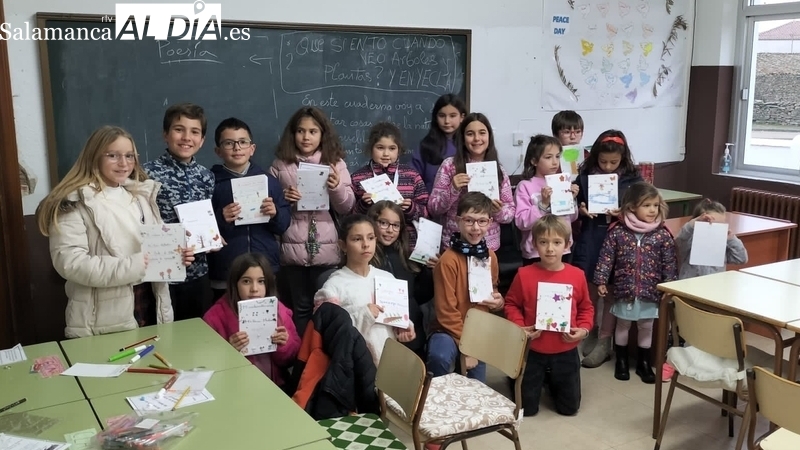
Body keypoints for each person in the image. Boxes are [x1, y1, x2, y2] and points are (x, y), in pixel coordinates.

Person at [36, 126, 193, 338]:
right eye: (113, 155)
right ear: (94, 157)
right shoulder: (75, 201)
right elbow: (70, 263)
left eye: (129, 156)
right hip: (103, 319)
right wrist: (135, 265)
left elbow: (152, 248)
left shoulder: (140, 195)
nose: (124, 163)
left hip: (151, 304)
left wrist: (175, 256)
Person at [270, 106, 355, 335]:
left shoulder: (335, 164)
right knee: (301, 308)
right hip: (292, 249)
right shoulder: (281, 166)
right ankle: (301, 361)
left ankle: (322, 360)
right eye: (300, 131)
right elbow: (268, 208)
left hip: (326, 250)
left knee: (327, 309)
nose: (306, 137)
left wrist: (336, 187)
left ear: (322, 135)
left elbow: (347, 206)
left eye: (313, 131)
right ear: (292, 134)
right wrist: (284, 200)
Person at [504, 214, 593, 416]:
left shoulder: (577, 275)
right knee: (527, 410)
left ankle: (552, 382)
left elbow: (586, 308)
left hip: (565, 348)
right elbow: (511, 304)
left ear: (567, 244)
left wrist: (584, 330)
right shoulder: (524, 274)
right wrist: (520, 327)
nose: (550, 249)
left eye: (556, 242)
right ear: (534, 244)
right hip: (532, 349)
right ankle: (517, 377)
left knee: (569, 409)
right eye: (543, 242)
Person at [572, 130, 643, 368]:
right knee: (590, 286)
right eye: (603, 162)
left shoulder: (634, 180)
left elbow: (643, 209)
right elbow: (575, 201)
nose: (608, 166)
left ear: (623, 159)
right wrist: (580, 209)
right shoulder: (584, 176)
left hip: (619, 239)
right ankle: (589, 329)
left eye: (614, 162)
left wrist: (623, 213)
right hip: (592, 235)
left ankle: (605, 340)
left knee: (611, 288)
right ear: (595, 157)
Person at [593, 182, 678, 383]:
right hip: (625, 289)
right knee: (623, 324)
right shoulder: (617, 231)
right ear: (632, 207)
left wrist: (669, 286)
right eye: (646, 205)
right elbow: (606, 258)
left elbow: (669, 263)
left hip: (650, 291)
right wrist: (601, 280)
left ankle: (644, 363)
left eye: (655, 206)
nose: (652, 210)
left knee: (646, 326)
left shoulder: (662, 234)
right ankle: (621, 361)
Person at [143, 102, 215, 320]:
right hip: (162, 276)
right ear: (165, 134)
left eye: (194, 132)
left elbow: (207, 221)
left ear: (202, 141)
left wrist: (211, 240)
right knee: (165, 338)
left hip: (198, 274)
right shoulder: (146, 174)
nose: (186, 137)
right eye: (178, 129)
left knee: (196, 338)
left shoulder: (206, 176)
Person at [313, 214, 416, 367]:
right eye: (357, 239)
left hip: (389, 365)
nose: (366, 244)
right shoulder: (333, 286)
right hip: (354, 370)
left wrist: (404, 327)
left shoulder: (387, 279)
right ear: (343, 245)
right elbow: (330, 335)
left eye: (371, 238)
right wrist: (364, 314)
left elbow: (395, 320)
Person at [208, 118, 291, 301]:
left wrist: (275, 213)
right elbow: (202, 229)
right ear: (218, 151)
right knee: (226, 321)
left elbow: (284, 224)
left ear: (252, 148)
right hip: (225, 270)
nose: (237, 148)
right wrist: (221, 219)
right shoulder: (210, 183)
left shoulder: (268, 181)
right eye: (229, 143)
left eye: (242, 142)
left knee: (263, 321)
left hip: (264, 268)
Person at [427, 192, 505, 382]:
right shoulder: (448, 261)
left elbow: (491, 292)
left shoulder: (490, 257)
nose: (475, 227)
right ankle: (437, 397)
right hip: (447, 329)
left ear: (490, 222)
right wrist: (467, 347)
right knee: (440, 356)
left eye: (482, 221)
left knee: (476, 387)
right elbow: (446, 311)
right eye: (469, 221)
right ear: (458, 221)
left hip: (478, 330)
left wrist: (498, 301)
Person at [203, 253, 300, 392]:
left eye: (261, 281)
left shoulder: (279, 310)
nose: (254, 289)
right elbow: (208, 365)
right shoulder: (215, 317)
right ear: (235, 284)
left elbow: (293, 356)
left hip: (275, 388)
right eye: (246, 281)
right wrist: (229, 351)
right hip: (235, 390)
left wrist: (285, 344)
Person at [427, 113, 515, 252]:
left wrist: (497, 211)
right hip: (454, 246)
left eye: (482, 133)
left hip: (487, 248)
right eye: (470, 134)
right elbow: (433, 208)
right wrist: (453, 189)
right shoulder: (450, 166)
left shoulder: (499, 170)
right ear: (462, 138)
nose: (477, 139)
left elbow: (509, 214)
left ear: (489, 137)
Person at [367, 201, 434, 358]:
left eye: (396, 225)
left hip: (411, 330)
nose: (390, 230)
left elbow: (420, 296)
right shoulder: (367, 258)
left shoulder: (406, 256)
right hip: (381, 333)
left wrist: (429, 271)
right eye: (384, 223)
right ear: (372, 222)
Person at [351, 122, 428, 249]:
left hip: (407, 245)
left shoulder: (411, 176)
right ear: (371, 149)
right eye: (380, 148)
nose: (386, 154)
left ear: (399, 150)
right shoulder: (358, 178)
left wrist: (411, 208)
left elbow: (426, 212)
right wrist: (363, 205)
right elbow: (351, 216)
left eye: (392, 148)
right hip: (371, 247)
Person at [515, 135, 580, 265]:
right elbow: (521, 222)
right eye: (548, 157)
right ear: (534, 161)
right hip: (535, 252)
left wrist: (571, 200)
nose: (555, 162)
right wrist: (543, 204)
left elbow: (571, 218)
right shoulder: (525, 185)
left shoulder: (563, 181)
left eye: (557, 156)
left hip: (562, 249)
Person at [675, 199, 748, 279]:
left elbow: (741, 259)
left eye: (721, 224)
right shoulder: (689, 239)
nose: (716, 228)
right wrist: (694, 222)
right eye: (711, 224)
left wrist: (731, 239)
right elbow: (680, 240)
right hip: (688, 285)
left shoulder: (722, 242)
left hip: (714, 285)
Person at [412, 94, 467, 193]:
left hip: (465, 205)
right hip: (430, 204)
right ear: (436, 117)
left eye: (452, 116)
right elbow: (413, 177)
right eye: (442, 116)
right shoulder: (426, 146)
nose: (447, 121)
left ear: (462, 117)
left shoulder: (469, 144)